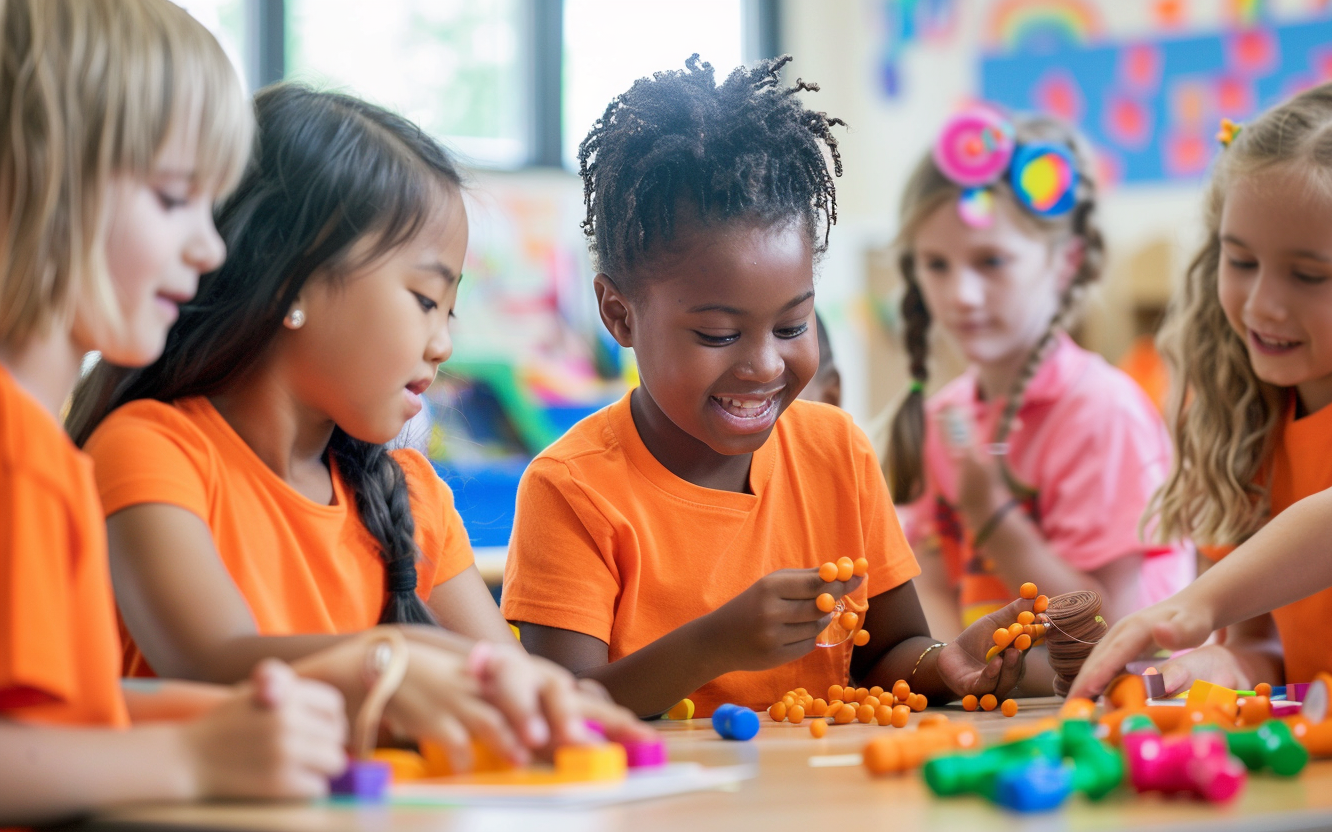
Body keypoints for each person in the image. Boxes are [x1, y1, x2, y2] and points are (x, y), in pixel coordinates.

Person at [69, 85, 650, 771]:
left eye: (451, 312)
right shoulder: (151, 448)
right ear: (292, 282)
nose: (442, 344)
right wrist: (399, 657)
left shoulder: (410, 495)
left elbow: (502, 677)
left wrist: (547, 704)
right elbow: (211, 660)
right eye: (425, 300)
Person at [505, 56, 1042, 717]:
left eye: (793, 324)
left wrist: (948, 665)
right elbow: (564, 708)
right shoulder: (572, 490)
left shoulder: (836, 451)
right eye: (718, 335)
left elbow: (892, 650)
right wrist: (712, 646)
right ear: (620, 314)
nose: (764, 365)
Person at [0, 2, 347, 823]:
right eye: (170, 198)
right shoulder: (20, 451)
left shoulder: (41, 445)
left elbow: (54, 719)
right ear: (31, 181)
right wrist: (192, 756)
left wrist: (219, 722)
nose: (211, 246)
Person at [1069, 82, 1332, 698]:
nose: (1262, 303)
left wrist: (1195, 605)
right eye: (1241, 262)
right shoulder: (1237, 436)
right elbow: (1259, 646)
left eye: (1306, 274)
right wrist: (1211, 665)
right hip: (1325, 775)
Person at [884, 103, 1190, 645]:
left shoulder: (1102, 412)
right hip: (1002, 709)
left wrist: (990, 512)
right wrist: (944, 668)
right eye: (936, 264)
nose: (961, 295)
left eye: (991, 261)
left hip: (1119, 709)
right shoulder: (946, 416)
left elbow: (1105, 628)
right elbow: (931, 583)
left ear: (1066, 261)